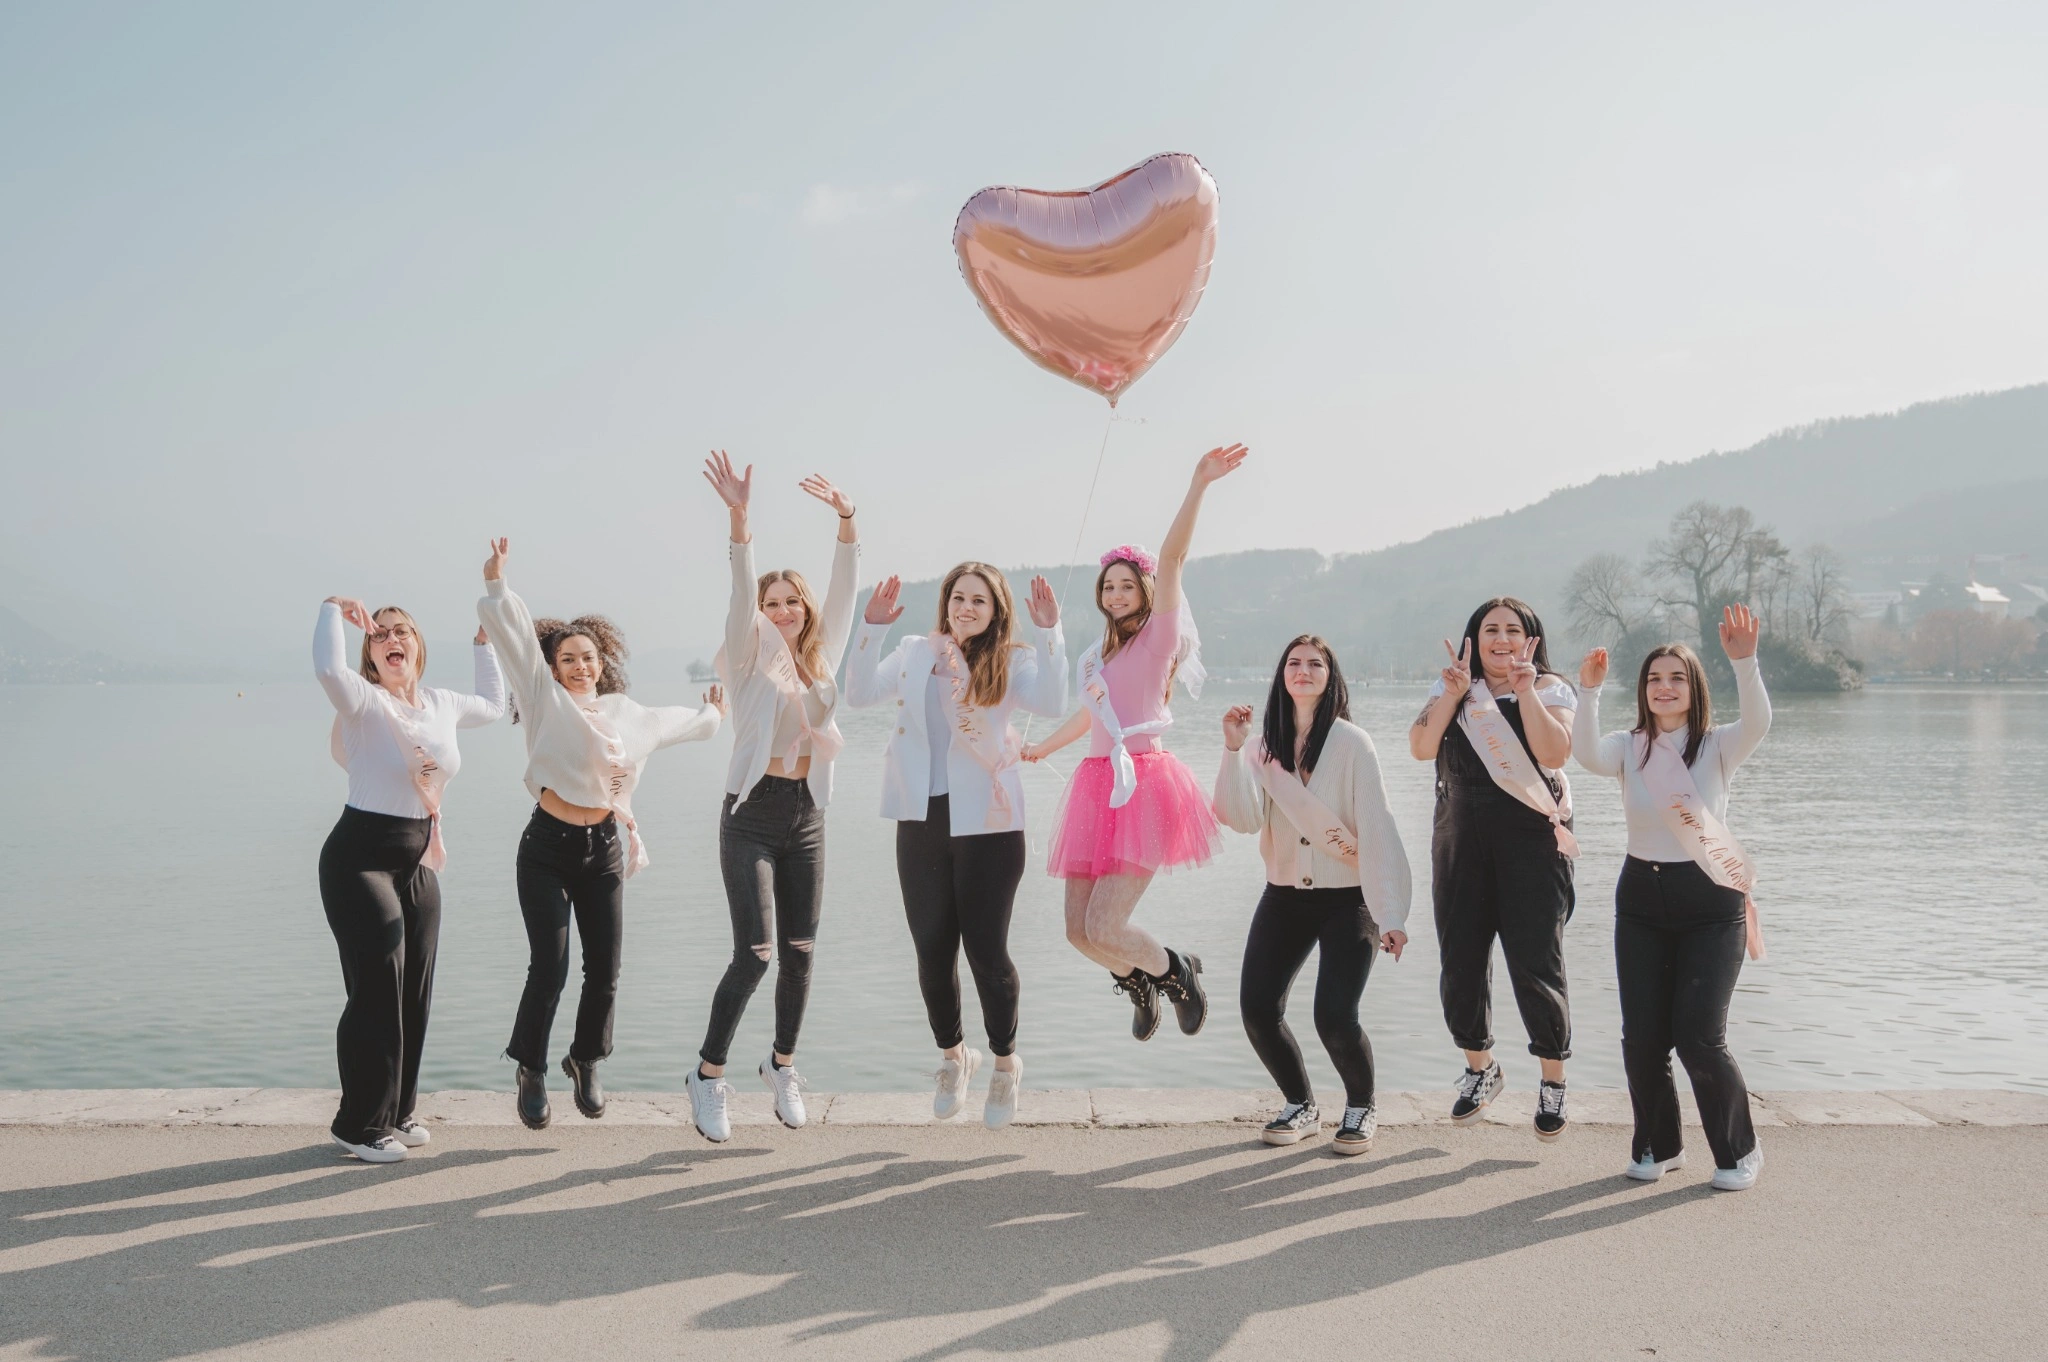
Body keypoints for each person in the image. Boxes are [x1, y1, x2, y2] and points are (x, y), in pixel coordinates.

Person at [476, 537, 723, 1131]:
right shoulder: (542, 699)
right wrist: (497, 588)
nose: (579, 666)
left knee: (606, 969)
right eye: (568, 659)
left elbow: (682, 727)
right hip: (546, 849)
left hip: (604, 849)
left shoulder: (626, 714)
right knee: (551, 966)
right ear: (554, 667)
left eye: (587, 657)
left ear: (602, 662)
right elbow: (513, 641)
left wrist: (713, 713)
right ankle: (530, 1068)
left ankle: (585, 1059)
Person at [1024, 443, 1246, 1043]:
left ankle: (1176, 971)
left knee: (1105, 919)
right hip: (1097, 784)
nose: (1117, 595)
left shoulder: (1157, 638)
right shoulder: (1097, 655)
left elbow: (1173, 557)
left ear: (1145, 592)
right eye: (1109, 587)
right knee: (1078, 931)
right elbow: (1094, 719)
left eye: (1127, 586)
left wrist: (1199, 482)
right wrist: (1043, 747)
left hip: (1144, 784)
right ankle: (1138, 980)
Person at [846, 562, 1067, 1128]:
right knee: (931, 952)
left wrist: (1049, 633)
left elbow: (1052, 703)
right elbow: (859, 694)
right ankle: (953, 1057)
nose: (966, 608)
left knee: (987, 954)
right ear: (946, 602)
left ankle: (1003, 1063)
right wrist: (870, 629)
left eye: (980, 601)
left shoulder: (1013, 659)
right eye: (959, 598)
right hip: (920, 818)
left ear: (996, 611)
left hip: (990, 823)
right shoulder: (920, 651)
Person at [689, 451, 861, 1143]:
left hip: (807, 815)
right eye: (772, 602)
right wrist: (740, 522)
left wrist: (848, 521)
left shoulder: (821, 657)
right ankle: (708, 1077)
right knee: (755, 952)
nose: (783, 610)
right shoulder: (743, 654)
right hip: (751, 815)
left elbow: (846, 590)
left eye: (793, 602)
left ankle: (781, 1065)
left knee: (801, 948)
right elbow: (737, 590)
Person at [1574, 605, 1771, 1191]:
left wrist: (1746, 662)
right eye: (1654, 678)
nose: (1664, 687)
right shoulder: (1626, 747)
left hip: (1711, 904)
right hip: (1641, 899)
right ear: (1643, 689)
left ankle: (1739, 1150)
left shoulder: (1718, 745)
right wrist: (1588, 692)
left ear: (1694, 687)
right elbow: (1582, 755)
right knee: (1643, 1038)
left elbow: (1759, 722)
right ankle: (1659, 1147)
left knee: (1700, 1037)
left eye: (1677, 677)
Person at [315, 593, 505, 1162]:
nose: (392, 638)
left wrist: (483, 644)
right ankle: (357, 1124)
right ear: (371, 656)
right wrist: (332, 610)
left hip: (418, 858)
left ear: (419, 645)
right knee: (376, 982)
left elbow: (494, 705)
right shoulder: (363, 702)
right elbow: (328, 667)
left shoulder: (442, 703)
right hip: (359, 859)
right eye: (380, 635)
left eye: (403, 631)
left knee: (414, 986)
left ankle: (397, 1110)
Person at [1214, 635, 1412, 1154]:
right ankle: (1300, 1103)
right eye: (1294, 663)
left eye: (1315, 664)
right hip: (1283, 898)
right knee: (1257, 1008)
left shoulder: (1352, 743)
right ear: (1282, 674)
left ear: (1331, 676)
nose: (1303, 671)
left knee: (1335, 1017)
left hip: (1350, 898)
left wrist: (1391, 913)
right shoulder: (1263, 746)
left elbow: (1377, 829)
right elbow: (1243, 817)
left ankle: (1362, 1106)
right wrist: (1233, 749)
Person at [1409, 597, 1579, 1139]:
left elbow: (1554, 754)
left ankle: (1552, 1081)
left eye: (1513, 630)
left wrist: (1525, 689)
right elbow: (1419, 748)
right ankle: (1480, 1070)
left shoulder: (1551, 689)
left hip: (1531, 849)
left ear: (1531, 638)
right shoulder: (1453, 687)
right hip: (1459, 846)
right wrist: (1454, 693)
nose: (1500, 639)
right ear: (1473, 637)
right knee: (1460, 963)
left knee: (1535, 964)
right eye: (1490, 630)